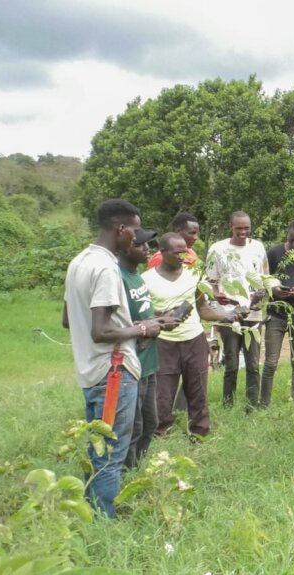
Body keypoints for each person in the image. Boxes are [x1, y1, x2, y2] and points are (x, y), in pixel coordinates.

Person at [62, 199, 166, 518]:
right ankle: (104, 522)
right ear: (121, 230)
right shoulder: (106, 268)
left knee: (98, 448)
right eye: (134, 231)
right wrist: (144, 328)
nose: (137, 238)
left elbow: (68, 319)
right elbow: (101, 330)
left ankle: (89, 511)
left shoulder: (78, 261)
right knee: (111, 454)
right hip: (114, 373)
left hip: (90, 371)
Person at [143, 233, 234, 439]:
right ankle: (161, 432)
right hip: (164, 343)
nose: (183, 256)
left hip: (194, 340)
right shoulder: (146, 280)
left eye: (185, 252)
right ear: (163, 253)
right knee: (163, 394)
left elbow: (203, 309)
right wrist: (161, 317)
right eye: (178, 253)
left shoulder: (194, 275)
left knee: (198, 390)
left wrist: (228, 316)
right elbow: (143, 316)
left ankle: (199, 432)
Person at [206, 211, 274, 410]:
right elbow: (211, 281)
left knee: (253, 364)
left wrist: (261, 299)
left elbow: (264, 278)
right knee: (232, 363)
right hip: (229, 312)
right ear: (231, 226)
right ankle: (228, 404)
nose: (243, 232)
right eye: (239, 228)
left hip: (253, 314)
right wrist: (216, 295)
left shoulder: (258, 247)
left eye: (246, 228)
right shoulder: (218, 249)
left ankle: (251, 405)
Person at [118, 228, 161, 469]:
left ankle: (136, 469)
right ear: (125, 246)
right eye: (140, 245)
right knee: (132, 428)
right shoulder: (118, 277)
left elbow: (144, 313)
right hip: (132, 364)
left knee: (150, 424)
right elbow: (118, 323)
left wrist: (160, 318)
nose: (147, 250)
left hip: (149, 361)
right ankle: (125, 475)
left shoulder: (138, 276)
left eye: (148, 245)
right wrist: (146, 327)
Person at [262, 220, 294, 403]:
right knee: (270, 362)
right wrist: (273, 290)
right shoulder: (274, 253)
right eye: (291, 241)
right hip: (276, 314)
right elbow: (264, 278)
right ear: (287, 236)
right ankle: (264, 401)